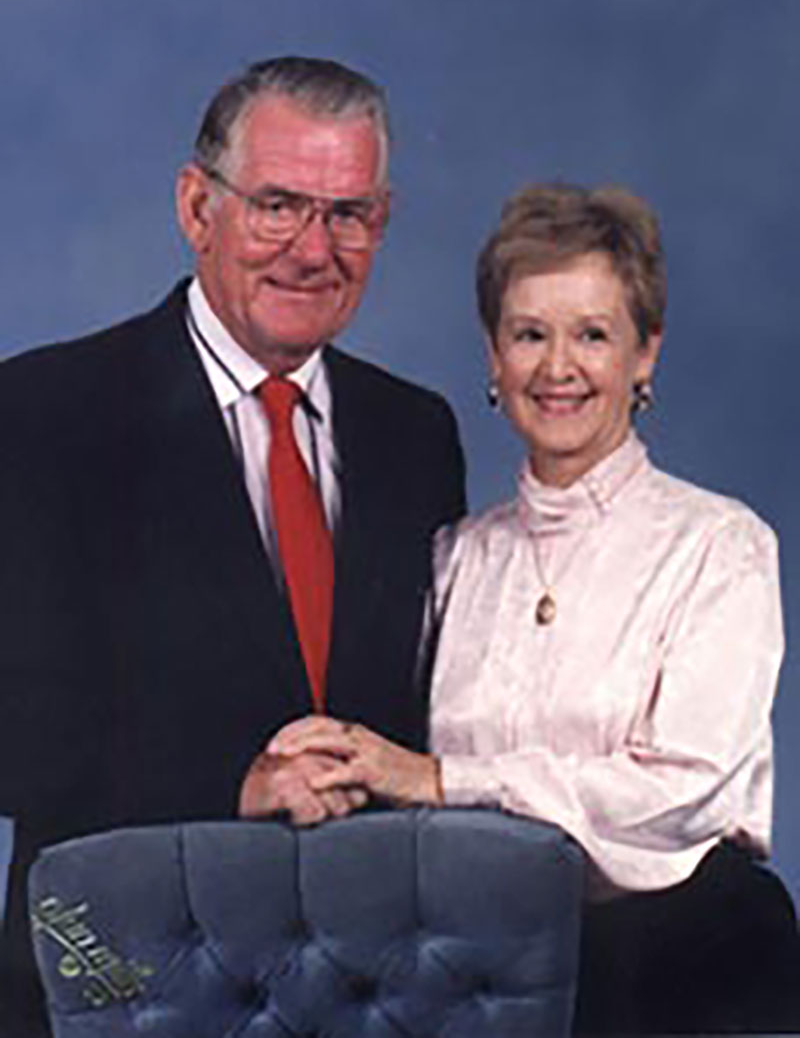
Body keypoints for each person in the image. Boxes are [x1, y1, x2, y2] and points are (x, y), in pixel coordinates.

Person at [265, 182, 800, 1033]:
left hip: (688, 967)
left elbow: (685, 789)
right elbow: (384, 762)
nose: (558, 368)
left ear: (646, 353)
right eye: (529, 334)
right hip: (474, 969)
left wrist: (441, 779)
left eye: (593, 334)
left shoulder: (719, 547)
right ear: (494, 355)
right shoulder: (453, 561)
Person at [0, 57, 465, 1032]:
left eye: (348, 212)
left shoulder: (414, 434)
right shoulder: (41, 413)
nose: (312, 247)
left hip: (364, 984)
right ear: (195, 205)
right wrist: (234, 779)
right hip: (119, 974)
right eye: (279, 205)